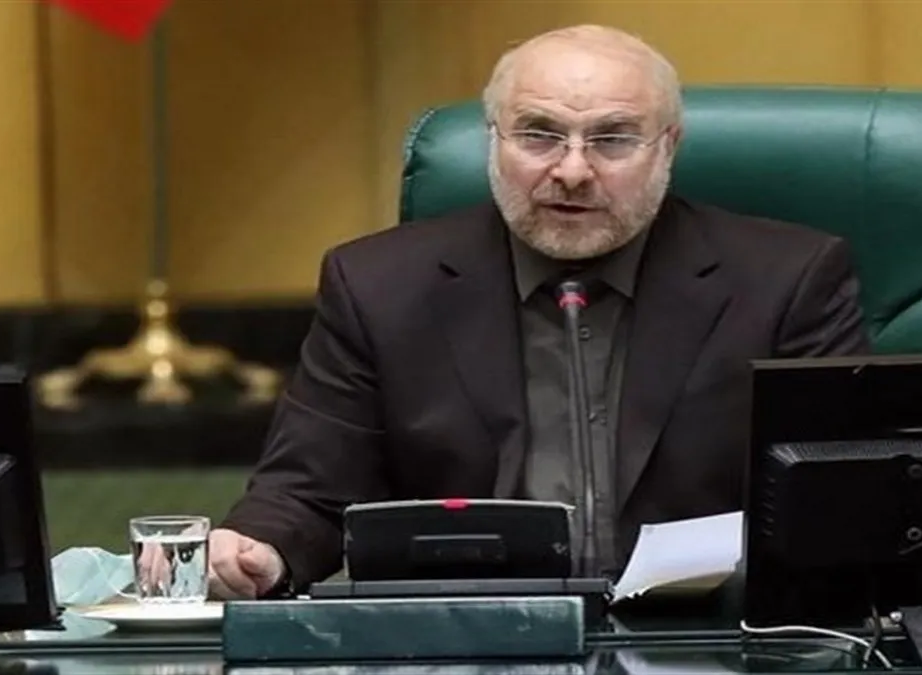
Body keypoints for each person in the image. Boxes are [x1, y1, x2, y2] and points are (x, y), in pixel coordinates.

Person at [206, 24, 871, 600]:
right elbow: (308, 490)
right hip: (468, 636)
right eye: (539, 134)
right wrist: (261, 548)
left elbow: (846, 492)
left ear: (668, 146)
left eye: (612, 139)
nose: (572, 171)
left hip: (709, 637)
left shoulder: (788, 281)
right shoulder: (378, 286)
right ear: (493, 140)